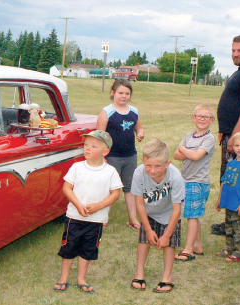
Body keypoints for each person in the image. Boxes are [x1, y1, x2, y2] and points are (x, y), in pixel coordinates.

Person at [54, 130, 122, 293]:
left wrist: (99, 206)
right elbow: (67, 188)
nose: (87, 148)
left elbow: (115, 194)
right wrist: (77, 204)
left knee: (87, 249)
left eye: (93, 146)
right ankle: (64, 277)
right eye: (85, 145)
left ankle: (81, 279)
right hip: (74, 217)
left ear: (105, 151)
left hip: (96, 220)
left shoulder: (110, 172)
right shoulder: (77, 167)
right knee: (69, 247)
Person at [130, 139, 185, 293]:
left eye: (158, 166)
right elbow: (139, 203)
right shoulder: (139, 173)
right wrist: (147, 229)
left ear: (167, 164)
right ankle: (139, 273)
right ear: (143, 161)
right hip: (149, 211)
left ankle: (166, 277)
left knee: (168, 244)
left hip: (170, 213)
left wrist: (167, 235)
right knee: (144, 240)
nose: (152, 170)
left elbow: (176, 209)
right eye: (148, 165)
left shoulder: (175, 177)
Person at [213, 35, 240, 235]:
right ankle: (232, 223)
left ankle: (237, 225)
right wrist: (225, 129)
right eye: (233, 50)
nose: (235, 54)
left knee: (238, 180)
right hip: (233, 135)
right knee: (231, 179)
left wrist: (236, 136)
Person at [97, 79, 144, 231]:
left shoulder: (134, 111)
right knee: (110, 188)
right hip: (113, 156)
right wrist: (102, 155)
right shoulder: (106, 112)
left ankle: (132, 219)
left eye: (127, 93)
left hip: (130, 155)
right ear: (113, 93)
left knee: (130, 188)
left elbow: (139, 128)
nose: (124, 96)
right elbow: (100, 136)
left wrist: (140, 134)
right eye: (120, 93)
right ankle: (103, 217)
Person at [173, 104, 215, 261]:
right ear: (193, 118)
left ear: (212, 120)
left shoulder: (209, 139)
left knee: (191, 216)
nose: (202, 119)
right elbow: (176, 155)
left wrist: (184, 150)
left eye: (206, 117)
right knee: (192, 214)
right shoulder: (189, 136)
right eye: (199, 116)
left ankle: (189, 249)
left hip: (198, 182)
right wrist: (187, 151)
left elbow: (197, 156)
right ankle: (197, 245)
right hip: (187, 180)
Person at [215, 131, 240, 262]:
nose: (239, 148)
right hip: (229, 203)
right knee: (229, 228)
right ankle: (230, 249)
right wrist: (220, 199)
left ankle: (239, 254)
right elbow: (224, 182)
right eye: (237, 145)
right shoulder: (231, 163)